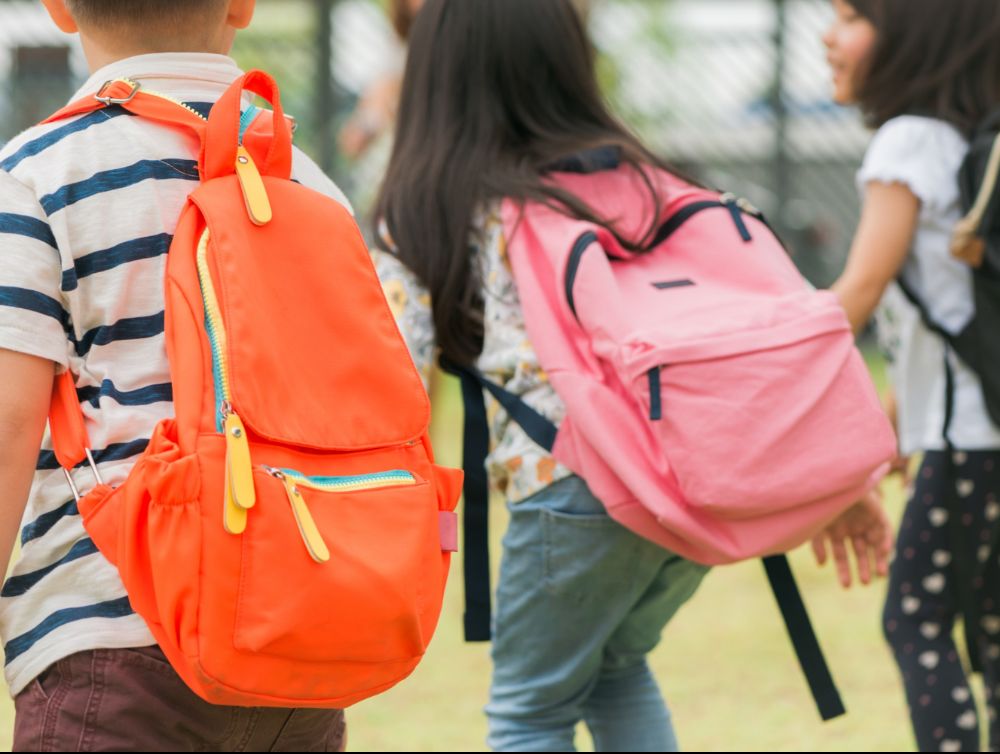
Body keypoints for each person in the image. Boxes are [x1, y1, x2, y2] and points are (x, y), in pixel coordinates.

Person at [372, 1, 892, 750]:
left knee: (530, 709)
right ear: (570, 61)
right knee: (617, 668)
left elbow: (395, 376)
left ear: (436, 75)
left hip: (568, 483)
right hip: (681, 478)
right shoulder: (649, 181)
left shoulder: (432, 205)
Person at [0, 0, 351, 749]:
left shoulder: (33, 177)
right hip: (294, 638)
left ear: (59, 8)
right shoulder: (308, 184)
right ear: (243, 5)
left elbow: (7, 418)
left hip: (107, 634)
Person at [822, 0, 1000, 749]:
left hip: (971, 443)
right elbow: (950, 310)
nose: (829, 37)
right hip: (973, 431)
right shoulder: (964, 133)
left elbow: (856, 295)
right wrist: (894, 419)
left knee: (916, 620)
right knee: (986, 634)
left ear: (912, 32)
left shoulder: (907, 141)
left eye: (849, 16)